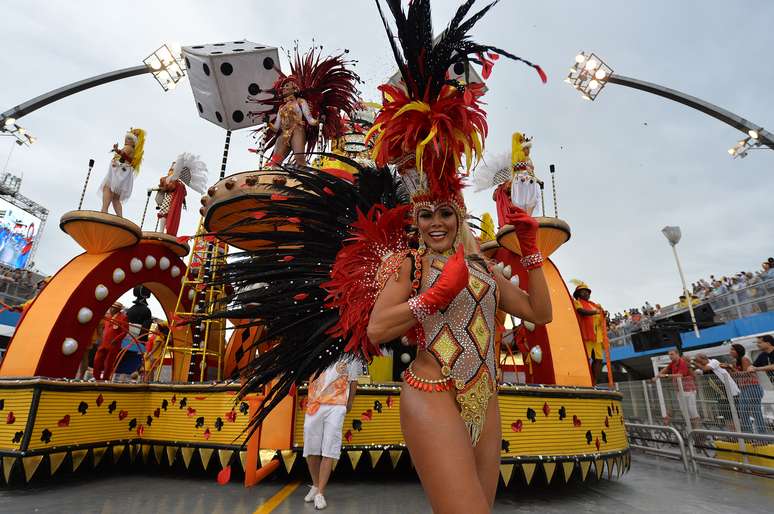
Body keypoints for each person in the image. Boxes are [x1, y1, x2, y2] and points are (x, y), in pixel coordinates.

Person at [303, 357, 361, 510]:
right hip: (314, 404)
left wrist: (349, 403)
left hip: (336, 405)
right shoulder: (314, 348)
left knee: (329, 447)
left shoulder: (351, 355)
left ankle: (320, 492)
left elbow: (353, 380)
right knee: (310, 448)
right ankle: (315, 485)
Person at [155, 153, 208, 236]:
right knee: (163, 212)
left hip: (174, 200)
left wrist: (171, 183)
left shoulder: (178, 182)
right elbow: (166, 185)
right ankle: (161, 231)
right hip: (169, 197)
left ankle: (162, 231)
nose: (171, 171)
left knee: (166, 213)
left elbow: (174, 188)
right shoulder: (168, 179)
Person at [100, 128, 145, 217]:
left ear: (133, 142)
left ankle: (104, 211)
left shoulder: (129, 147)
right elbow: (124, 157)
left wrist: (117, 150)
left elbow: (123, 154)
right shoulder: (132, 149)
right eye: (126, 137)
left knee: (107, 188)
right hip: (122, 172)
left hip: (119, 172)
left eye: (129, 138)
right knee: (115, 198)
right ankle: (120, 217)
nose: (126, 139)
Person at [721, 344, 765, 433]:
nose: (730, 351)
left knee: (753, 412)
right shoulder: (734, 362)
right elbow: (735, 375)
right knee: (744, 412)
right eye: (730, 350)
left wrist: (731, 368)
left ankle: (760, 435)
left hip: (753, 387)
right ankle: (751, 434)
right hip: (744, 388)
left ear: (738, 351)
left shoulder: (744, 359)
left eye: (733, 350)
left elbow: (746, 373)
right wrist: (728, 369)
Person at [654, 348, 700, 428]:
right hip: (680, 390)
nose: (670, 356)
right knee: (684, 411)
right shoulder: (673, 363)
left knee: (692, 411)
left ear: (677, 354)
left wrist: (665, 376)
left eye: (672, 354)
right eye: (669, 355)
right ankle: (692, 430)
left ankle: (697, 431)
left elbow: (680, 375)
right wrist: (657, 376)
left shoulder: (682, 362)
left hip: (688, 390)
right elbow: (666, 369)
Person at [572, 281, 606, 385]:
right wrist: (596, 312)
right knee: (585, 359)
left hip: (597, 337)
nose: (586, 293)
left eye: (587, 292)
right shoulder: (577, 302)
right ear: (578, 294)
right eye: (583, 292)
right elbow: (581, 312)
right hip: (585, 335)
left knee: (599, 360)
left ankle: (594, 382)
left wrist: (604, 314)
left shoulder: (594, 305)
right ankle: (584, 380)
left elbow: (601, 318)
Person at [92, 302, 129, 381]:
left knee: (108, 363)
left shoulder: (123, 317)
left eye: (113, 308)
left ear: (118, 309)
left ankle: (106, 378)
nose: (110, 309)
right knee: (97, 360)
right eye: (111, 307)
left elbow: (125, 331)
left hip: (113, 344)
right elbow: (102, 327)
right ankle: (96, 377)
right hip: (103, 342)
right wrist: (100, 337)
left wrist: (116, 340)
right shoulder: (108, 316)